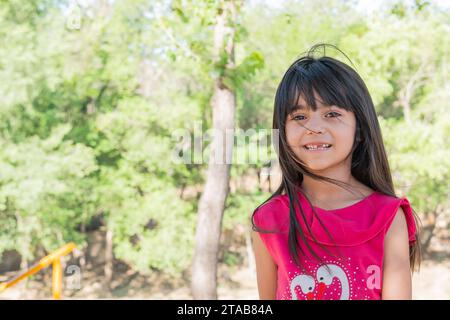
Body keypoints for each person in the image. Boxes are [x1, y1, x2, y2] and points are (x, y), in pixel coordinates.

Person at [251, 44, 421, 300]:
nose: (314, 127)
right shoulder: (269, 221)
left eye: (332, 113)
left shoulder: (388, 217)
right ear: (282, 131)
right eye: (299, 117)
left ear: (360, 129)